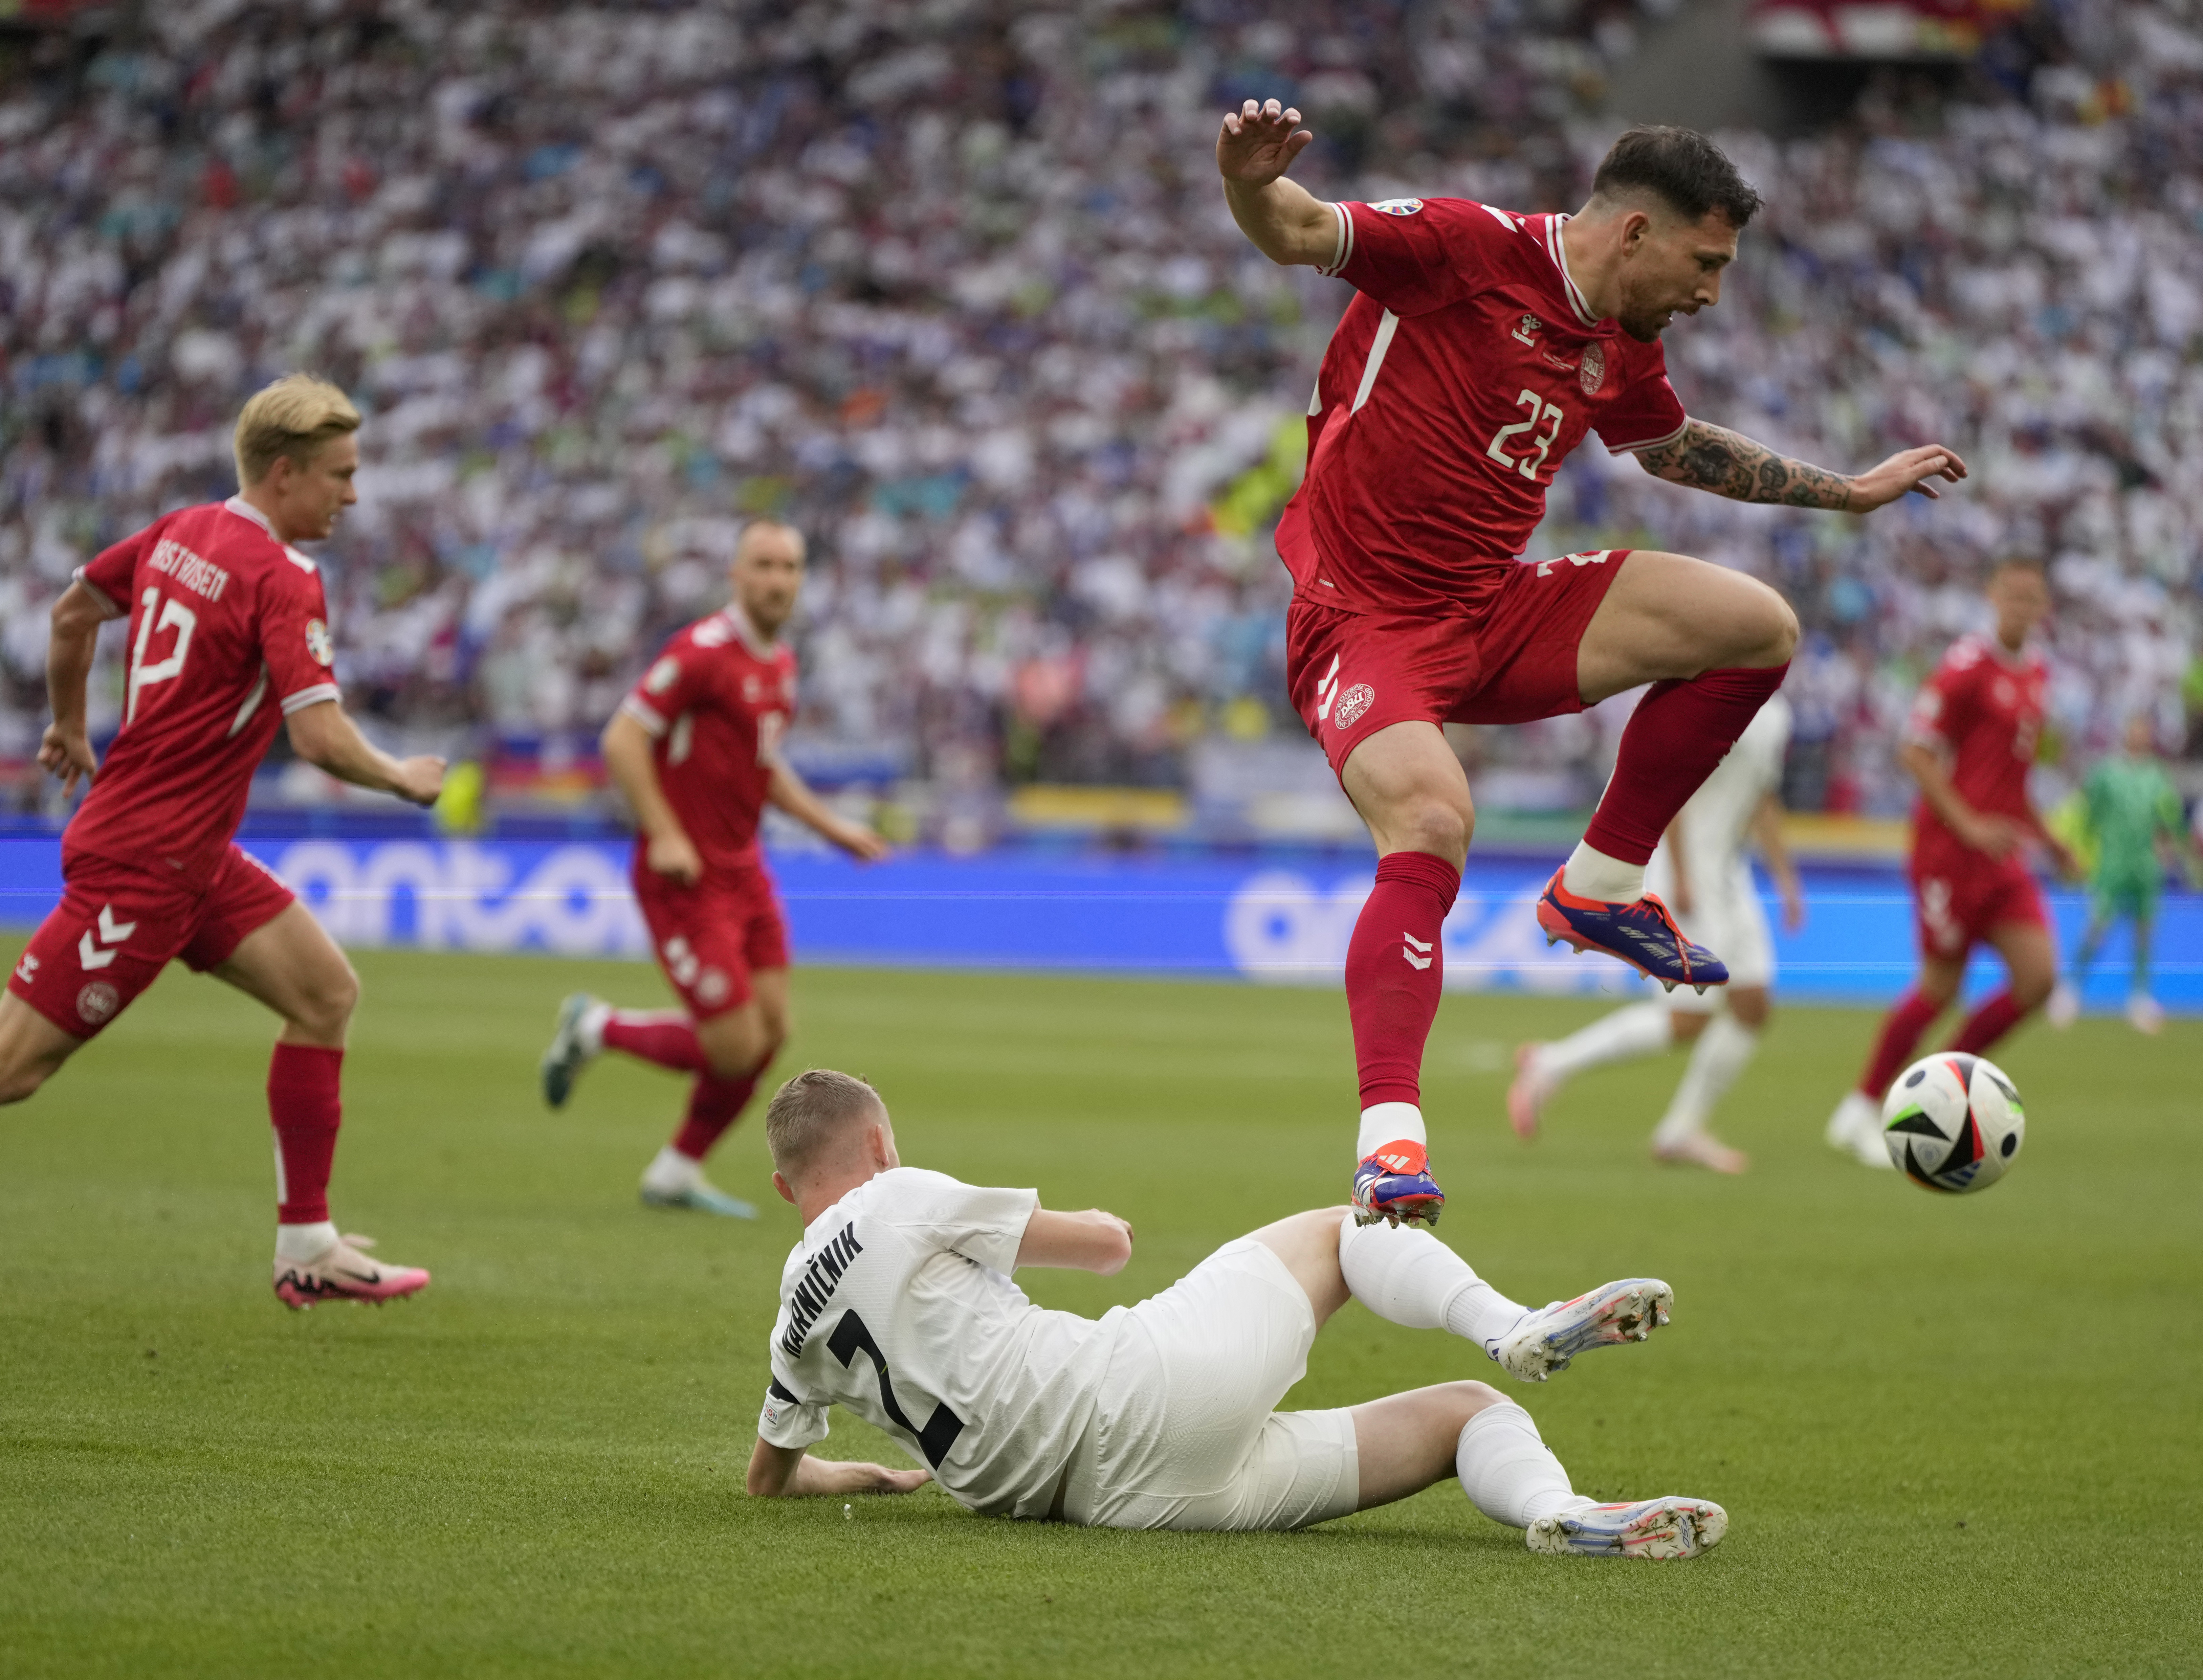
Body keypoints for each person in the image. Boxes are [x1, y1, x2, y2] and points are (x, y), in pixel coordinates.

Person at [1215, 105, 1967, 1225]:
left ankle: (1598, 885)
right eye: (1702, 262)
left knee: (1756, 626)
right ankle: (1387, 1144)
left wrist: (1843, 490)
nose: (1709, 291)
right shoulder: (1461, 249)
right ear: (1630, 233)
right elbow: (1291, 230)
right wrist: (1241, 178)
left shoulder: (1622, 344)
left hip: (1490, 610)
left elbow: (1670, 447)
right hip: (1360, 618)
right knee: (1429, 821)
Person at [0, 376, 444, 1312]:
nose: (353, 494)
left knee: (325, 992)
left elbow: (72, 612)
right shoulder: (283, 577)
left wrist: (71, 727)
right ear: (284, 471)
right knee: (8, 1062)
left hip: (189, 849)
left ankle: (307, 1243)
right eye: (341, 475)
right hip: (149, 860)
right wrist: (402, 775)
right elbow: (318, 736)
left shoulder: (182, 530)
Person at [741, 1069, 1724, 1555]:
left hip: (1124, 1506)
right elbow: (1101, 1247)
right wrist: (1097, 1221)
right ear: (878, 1142)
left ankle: (1566, 1513)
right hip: (1138, 1391)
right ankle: (1514, 1324)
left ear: (790, 1188)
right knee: (1345, 1228)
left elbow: (769, 1478)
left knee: (1465, 1412)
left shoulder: (792, 1318)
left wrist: (864, 1473)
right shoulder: (894, 1192)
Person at [538, 521, 888, 1218]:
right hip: (685, 876)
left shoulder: (780, 664)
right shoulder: (701, 653)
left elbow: (766, 769)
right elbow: (622, 737)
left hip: (744, 870)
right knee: (733, 1046)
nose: (777, 579)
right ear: (735, 574)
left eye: (789, 566)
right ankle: (595, 1028)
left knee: (773, 1030)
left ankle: (676, 1170)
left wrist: (834, 828)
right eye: (763, 565)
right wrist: (664, 832)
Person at [1824, 561, 2063, 1166]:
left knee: (2037, 980)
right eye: (2010, 594)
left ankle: (1943, 1089)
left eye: (2030, 598)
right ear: (1991, 595)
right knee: (1940, 986)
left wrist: (2048, 838)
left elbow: (2012, 777)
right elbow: (1915, 751)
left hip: (1999, 851)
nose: (2019, 606)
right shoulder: (1964, 668)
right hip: (1948, 853)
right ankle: (1858, 1105)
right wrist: (1969, 827)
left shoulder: (2036, 671)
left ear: (2043, 606)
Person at [1508, 696, 1801, 1172]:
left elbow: (1763, 799)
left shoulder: (1777, 715)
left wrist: (1788, 879)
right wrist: (1682, 873)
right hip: (1689, 875)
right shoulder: (1723, 695)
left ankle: (1682, 1129)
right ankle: (1551, 1063)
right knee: (1690, 1019)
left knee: (1752, 1006)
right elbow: (1676, 783)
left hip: (1732, 877)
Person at [2051, 714, 2191, 1035]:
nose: (2140, 736)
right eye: (2135, 730)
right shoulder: (2107, 774)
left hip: (2145, 866)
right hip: (2113, 863)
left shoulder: (2157, 776)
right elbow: (2089, 815)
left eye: (2145, 731)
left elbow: (2168, 820)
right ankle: (2070, 990)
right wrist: (2076, 852)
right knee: (2097, 928)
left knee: (2144, 931)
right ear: (2126, 734)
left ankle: (2140, 998)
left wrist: (2171, 848)